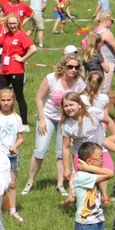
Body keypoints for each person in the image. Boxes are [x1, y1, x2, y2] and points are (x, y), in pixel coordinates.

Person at [23, 54, 86, 196]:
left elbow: (81, 103)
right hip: (48, 116)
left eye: (76, 67)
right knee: (40, 150)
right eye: (70, 66)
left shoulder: (79, 83)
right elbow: (39, 98)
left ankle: (60, 184)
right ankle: (30, 181)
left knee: (61, 152)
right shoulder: (51, 78)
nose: (73, 70)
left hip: (66, 120)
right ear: (63, 66)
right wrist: (42, 119)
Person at [0, 13, 37, 128]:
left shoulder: (21, 35)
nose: (12, 26)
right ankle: (2, 120)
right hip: (4, 70)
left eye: (14, 23)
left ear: (18, 23)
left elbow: (33, 48)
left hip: (16, 70)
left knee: (19, 96)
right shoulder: (7, 35)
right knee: (0, 95)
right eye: (10, 24)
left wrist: (22, 58)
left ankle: (24, 123)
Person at [0, 87, 25, 221]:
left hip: (11, 155)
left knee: (12, 183)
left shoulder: (16, 118)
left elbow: (21, 137)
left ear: (13, 101)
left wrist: (15, 146)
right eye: (3, 100)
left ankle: (12, 210)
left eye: (8, 100)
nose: (6, 103)